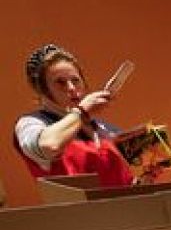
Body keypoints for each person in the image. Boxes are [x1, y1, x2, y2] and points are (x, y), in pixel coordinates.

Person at [13, 44, 135, 188]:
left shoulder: (107, 129)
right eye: (60, 82)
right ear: (42, 89)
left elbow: (126, 182)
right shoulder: (31, 123)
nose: (71, 88)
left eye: (75, 80)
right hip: (76, 209)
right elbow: (49, 145)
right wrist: (82, 111)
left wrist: (145, 176)